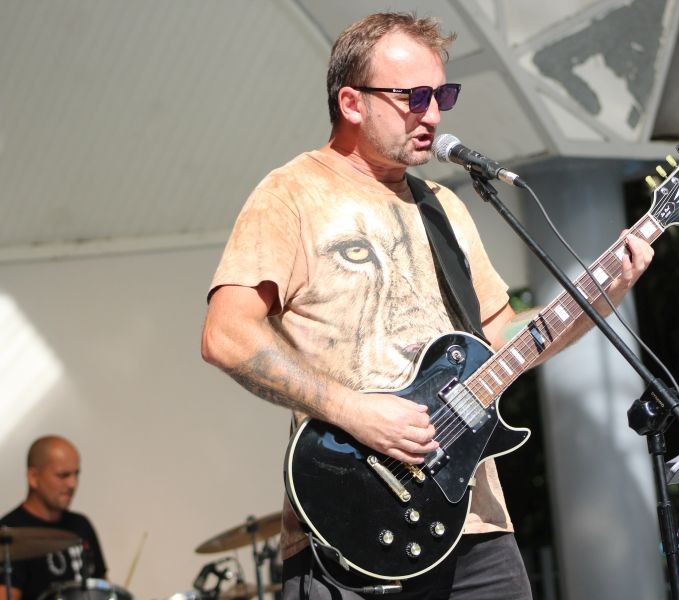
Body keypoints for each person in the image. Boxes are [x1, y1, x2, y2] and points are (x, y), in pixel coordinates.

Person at [201, 11, 654, 600]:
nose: (434, 114)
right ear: (352, 102)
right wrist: (354, 410)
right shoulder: (290, 194)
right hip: (355, 526)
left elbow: (502, 339)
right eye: (414, 97)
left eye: (442, 95)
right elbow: (226, 334)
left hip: (475, 522)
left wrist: (599, 297)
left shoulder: (445, 205)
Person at [0, 436, 107, 600]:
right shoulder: (8, 533)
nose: (72, 484)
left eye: (76, 474)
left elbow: (102, 588)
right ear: (33, 477)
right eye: (63, 475)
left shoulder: (81, 525)